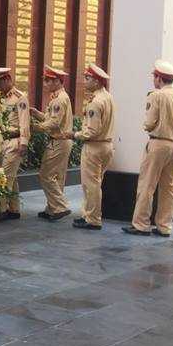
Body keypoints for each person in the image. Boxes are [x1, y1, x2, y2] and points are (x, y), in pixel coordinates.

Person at [122, 60, 173, 237]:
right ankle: (164, 226)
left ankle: (141, 224)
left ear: (159, 78)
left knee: (147, 185)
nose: (154, 79)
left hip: (158, 143)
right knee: (169, 187)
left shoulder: (155, 96)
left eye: (155, 76)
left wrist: (147, 126)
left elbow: (150, 123)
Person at [72, 64, 115, 231]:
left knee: (90, 185)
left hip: (94, 146)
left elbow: (91, 131)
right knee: (95, 184)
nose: (85, 81)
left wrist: (75, 134)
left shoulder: (95, 103)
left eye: (88, 78)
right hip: (107, 146)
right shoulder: (108, 97)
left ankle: (93, 219)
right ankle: (89, 214)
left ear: (97, 82)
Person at [31, 65, 73, 221]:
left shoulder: (59, 100)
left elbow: (53, 124)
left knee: (46, 175)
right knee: (57, 177)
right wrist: (37, 114)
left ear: (57, 81)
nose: (45, 84)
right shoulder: (60, 97)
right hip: (62, 141)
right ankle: (52, 209)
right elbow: (51, 119)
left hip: (58, 141)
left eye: (48, 81)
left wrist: (34, 127)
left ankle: (60, 206)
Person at [0, 67, 29, 221]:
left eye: (0, 83)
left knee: (4, 178)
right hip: (1, 140)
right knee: (11, 177)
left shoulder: (20, 97)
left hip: (15, 141)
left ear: (7, 80)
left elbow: (24, 121)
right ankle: (14, 209)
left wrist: (24, 143)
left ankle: (1, 210)